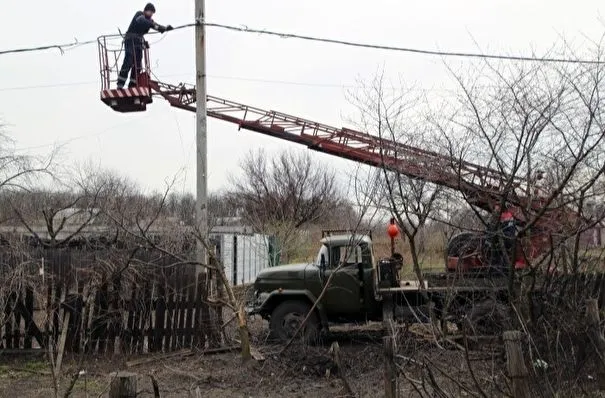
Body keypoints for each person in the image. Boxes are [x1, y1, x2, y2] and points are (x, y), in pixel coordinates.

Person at [117, 3, 173, 89]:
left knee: (138, 65)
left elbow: (155, 25)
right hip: (130, 40)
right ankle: (120, 84)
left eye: (152, 13)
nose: (151, 14)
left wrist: (164, 28)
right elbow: (144, 21)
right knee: (128, 61)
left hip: (138, 43)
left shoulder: (149, 20)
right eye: (150, 12)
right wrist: (155, 25)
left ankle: (132, 85)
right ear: (146, 10)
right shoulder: (139, 14)